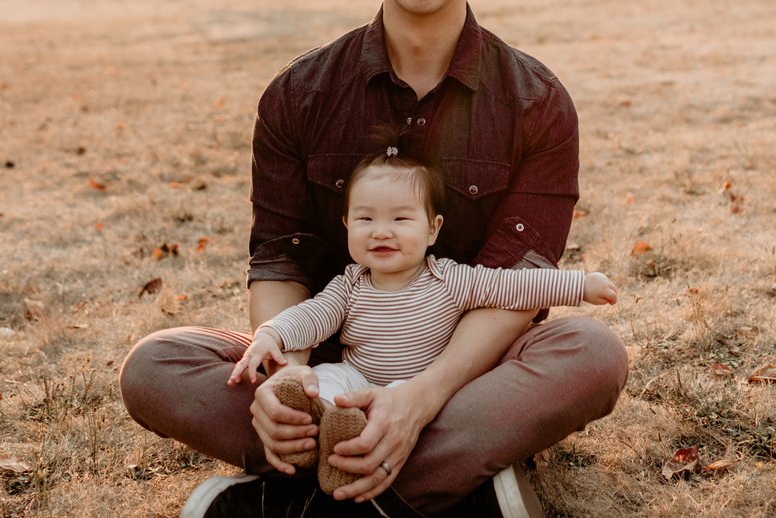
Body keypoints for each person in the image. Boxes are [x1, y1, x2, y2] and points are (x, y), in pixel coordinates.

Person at [119, 0, 629, 518]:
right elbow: (281, 259)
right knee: (154, 367)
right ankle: (453, 483)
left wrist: (421, 398)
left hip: (471, 379)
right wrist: (287, 380)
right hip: (331, 377)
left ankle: (293, 496)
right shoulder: (298, 96)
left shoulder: (537, 103)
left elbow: (515, 284)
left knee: (591, 354)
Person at [234, 146, 617, 496]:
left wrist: (580, 285)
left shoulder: (449, 280)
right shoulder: (349, 285)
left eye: (400, 218)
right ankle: (316, 427)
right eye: (366, 218)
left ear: (432, 229)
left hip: (416, 390)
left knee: (436, 403)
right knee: (325, 379)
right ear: (347, 224)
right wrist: (272, 334)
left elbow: (513, 286)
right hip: (356, 382)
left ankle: (335, 463)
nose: (381, 231)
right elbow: (311, 316)